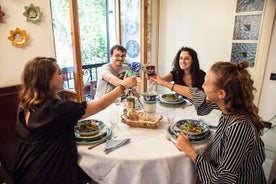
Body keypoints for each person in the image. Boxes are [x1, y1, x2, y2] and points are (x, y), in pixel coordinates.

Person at [13, 57, 137, 184]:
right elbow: (100, 105)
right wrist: (123, 86)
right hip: (48, 175)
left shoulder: (26, 105)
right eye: (59, 73)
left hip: (24, 171)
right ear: (46, 80)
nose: (64, 76)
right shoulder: (55, 110)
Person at [150, 60, 267, 183]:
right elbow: (197, 95)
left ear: (221, 93)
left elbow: (221, 180)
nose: (202, 87)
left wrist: (190, 151)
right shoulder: (229, 105)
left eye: (205, 84)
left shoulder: (239, 128)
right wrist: (164, 83)